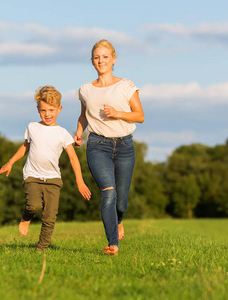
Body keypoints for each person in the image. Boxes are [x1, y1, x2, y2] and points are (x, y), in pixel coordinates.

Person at [0, 85, 91, 252]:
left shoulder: (62, 133)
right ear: (38, 110)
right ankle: (26, 218)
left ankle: (40, 248)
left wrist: (80, 181)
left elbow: (73, 157)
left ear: (59, 109)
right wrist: (10, 162)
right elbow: (25, 147)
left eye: (51, 110)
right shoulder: (32, 127)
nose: (47, 114)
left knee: (50, 217)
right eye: (43, 110)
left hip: (53, 180)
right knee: (33, 205)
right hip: (32, 176)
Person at [74, 39, 145, 255]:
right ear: (92, 61)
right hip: (97, 145)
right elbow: (83, 116)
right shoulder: (85, 90)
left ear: (113, 59)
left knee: (121, 202)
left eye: (105, 57)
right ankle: (113, 243)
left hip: (124, 146)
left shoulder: (126, 85)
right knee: (109, 192)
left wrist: (118, 113)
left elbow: (140, 116)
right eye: (97, 57)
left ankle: (119, 220)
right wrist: (78, 133)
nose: (101, 61)